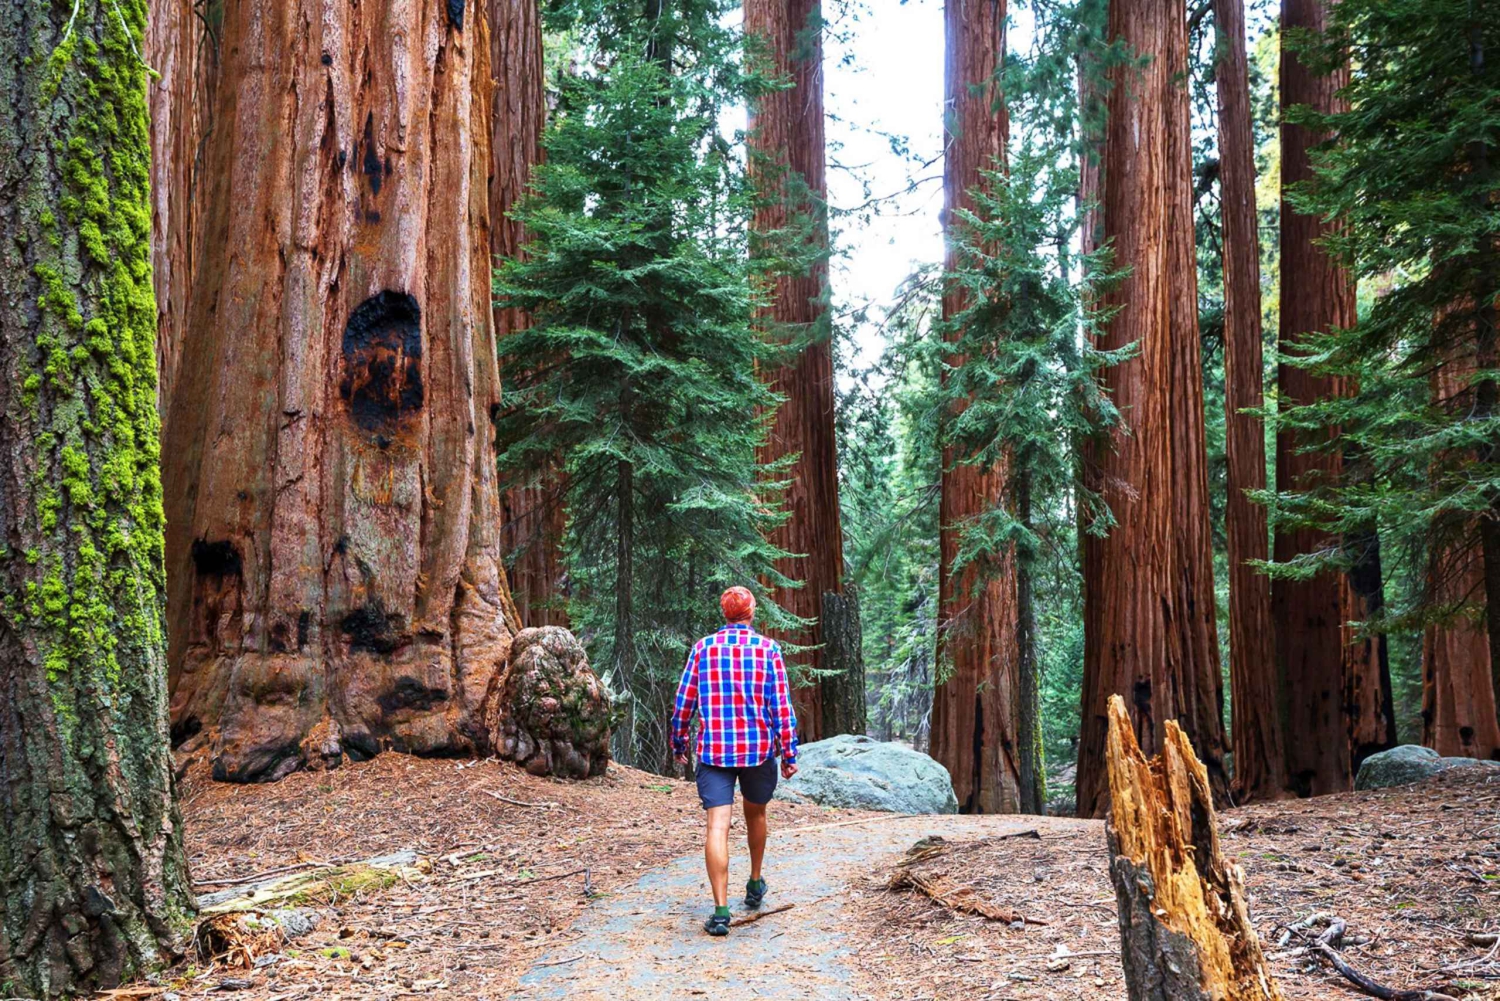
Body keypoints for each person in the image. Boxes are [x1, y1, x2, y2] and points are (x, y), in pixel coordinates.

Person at [670, 586, 799, 937]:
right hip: (757, 751)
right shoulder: (768, 650)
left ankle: (721, 910)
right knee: (756, 813)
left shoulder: (703, 649)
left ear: (724, 613)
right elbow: (781, 706)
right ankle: (755, 882)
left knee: (717, 827)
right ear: (751, 611)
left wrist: (678, 740)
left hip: (714, 753)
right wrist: (789, 753)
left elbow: (684, 701)